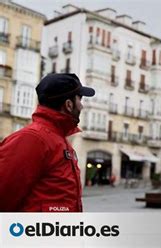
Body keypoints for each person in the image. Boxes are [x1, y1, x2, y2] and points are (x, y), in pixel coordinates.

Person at [0, 73, 95, 212]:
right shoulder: (33, 139)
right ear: (69, 104)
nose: (81, 106)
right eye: (80, 99)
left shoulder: (58, 140)